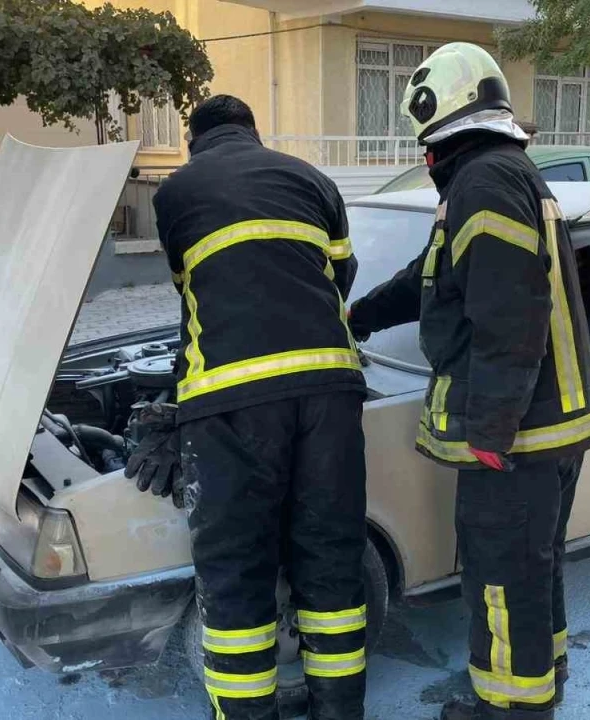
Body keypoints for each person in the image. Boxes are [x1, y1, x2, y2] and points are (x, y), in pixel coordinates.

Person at [347, 43, 590, 720]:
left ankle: (511, 708)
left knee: (500, 575)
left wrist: (490, 430)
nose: (425, 158)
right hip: (544, 425)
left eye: (426, 144)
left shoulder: (484, 185)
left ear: (442, 129)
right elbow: (435, 278)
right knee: (532, 567)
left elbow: (509, 317)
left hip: (518, 435)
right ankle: (542, 678)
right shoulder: (498, 175)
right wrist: (360, 315)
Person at [127, 94, 368, 720]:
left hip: (231, 402)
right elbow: (341, 277)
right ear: (254, 133)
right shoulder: (314, 179)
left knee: (236, 575)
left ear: (192, 142)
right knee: (332, 565)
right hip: (330, 394)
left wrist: (175, 407)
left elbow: (196, 299)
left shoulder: (174, 194)